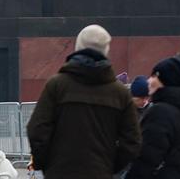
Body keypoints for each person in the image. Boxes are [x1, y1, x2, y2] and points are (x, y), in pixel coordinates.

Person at [25, 25, 140, 179]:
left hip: (59, 172)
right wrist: (109, 166)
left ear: (77, 47)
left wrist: (45, 163)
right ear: (106, 50)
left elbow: (37, 129)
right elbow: (132, 141)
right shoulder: (120, 94)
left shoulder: (57, 86)